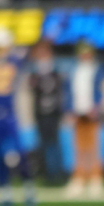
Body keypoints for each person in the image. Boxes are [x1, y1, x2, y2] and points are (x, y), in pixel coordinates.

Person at [0, 27, 37, 206]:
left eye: (0, 47)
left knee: (19, 153)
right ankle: (5, 193)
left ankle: (29, 190)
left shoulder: (14, 61)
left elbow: (29, 48)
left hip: (10, 114)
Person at [66, 40, 104, 197]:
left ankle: (95, 178)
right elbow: (69, 92)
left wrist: (96, 107)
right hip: (78, 113)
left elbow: (101, 91)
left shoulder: (97, 69)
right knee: (79, 148)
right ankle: (79, 178)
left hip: (92, 113)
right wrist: (69, 110)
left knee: (94, 148)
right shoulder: (74, 70)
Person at [29, 40, 66, 186]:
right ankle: (49, 174)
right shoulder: (35, 73)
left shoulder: (56, 71)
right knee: (44, 144)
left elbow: (60, 91)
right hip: (41, 113)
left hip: (54, 113)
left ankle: (58, 173)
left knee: (55, 144)